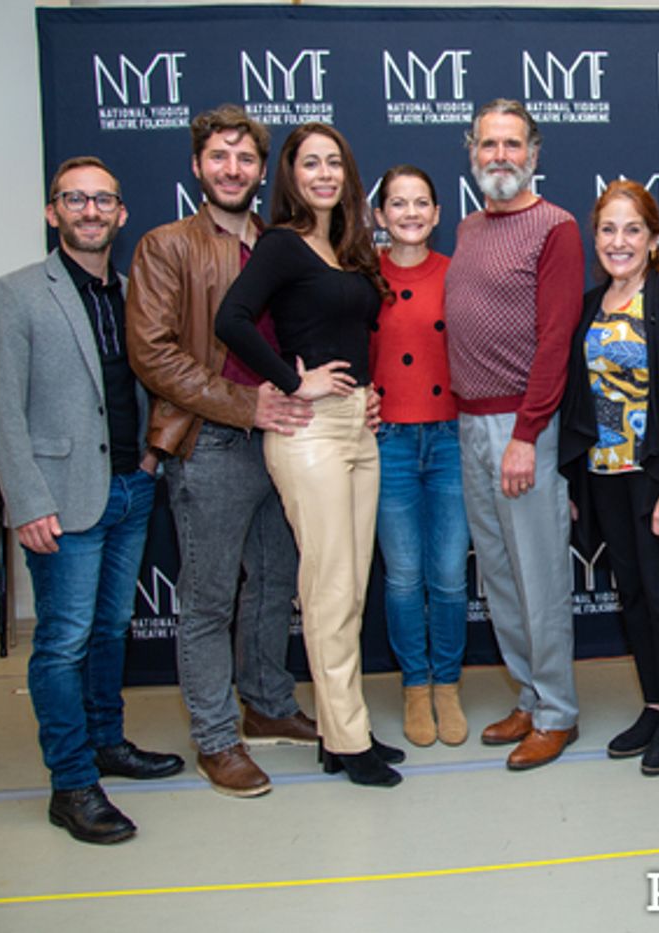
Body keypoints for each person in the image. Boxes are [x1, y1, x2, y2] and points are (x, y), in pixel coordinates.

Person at [0, 156, 184, 844]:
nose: (89, 211)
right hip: (60, 502)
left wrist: (153, 455)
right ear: (52, 211)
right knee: (61, 644)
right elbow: (2, 411)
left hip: (128, 488)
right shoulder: (14, 294)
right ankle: (71, 782)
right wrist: (26, 500)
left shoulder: (131, 292)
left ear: (121, 214)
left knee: (105, 632)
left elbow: (145, 382)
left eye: (102, 201)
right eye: (75, 199)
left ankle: (106, 742)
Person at [126, 105, 319, 799]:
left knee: (274, 584)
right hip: (210, 442)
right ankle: (215, 736)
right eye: (218, 156)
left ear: (263, 171)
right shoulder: (165, 245)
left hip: (285, 440)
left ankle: (267, 701)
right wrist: (244, 404)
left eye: (244, 158)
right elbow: (151, 355)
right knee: (208, 600)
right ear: (196, 165)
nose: (231, 169)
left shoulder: (281, 242)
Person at [215, 123, 404, 787]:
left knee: (349, 589)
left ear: (347, 173)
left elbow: (353, 331)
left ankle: (337, 727)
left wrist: (369, 391)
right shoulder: (282, 245)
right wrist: (296, 382)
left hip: (357, 429)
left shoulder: (348, 248)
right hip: (310, 432)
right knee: (328, 588)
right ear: (290, 175)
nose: (322, 173)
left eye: (333, 161)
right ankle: (350, 741)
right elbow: (231, 319)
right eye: (308, 163)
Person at [558, 181, 659, 776]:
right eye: (607, 229)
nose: (618, 241)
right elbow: (581, 398)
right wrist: (576, 483)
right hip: (606, 475)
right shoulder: (589, 304)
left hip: (657, 475)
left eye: (632, 229)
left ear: (654, 239)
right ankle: (653, 702)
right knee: (631, 595)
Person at [444, 99, 584, 770]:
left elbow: (556, 339)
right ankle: (527, 693)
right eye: (488, 144)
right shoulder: (469, 228)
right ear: (472, 152)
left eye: (513, 144)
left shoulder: (554, 227)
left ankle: (558, 711)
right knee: (499, 573)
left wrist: (528, 433)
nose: (500, 155)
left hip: (525, 423)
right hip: (468, 421)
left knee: (539, 574)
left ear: (535, 152)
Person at [370, 164, 469, 748]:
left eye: (421, 203)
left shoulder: (457, 276)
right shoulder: (362, 279)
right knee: (404, 575)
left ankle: (448, 684)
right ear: (380, 215)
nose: (410, 213)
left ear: (437, 213)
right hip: (390, 444)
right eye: (397, 204)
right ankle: (414, 685)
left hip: (451, 438)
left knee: (451, 575)